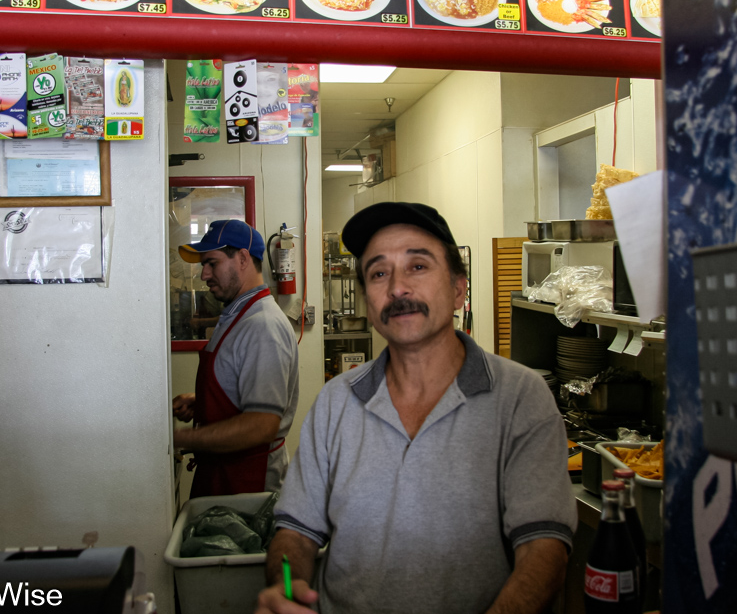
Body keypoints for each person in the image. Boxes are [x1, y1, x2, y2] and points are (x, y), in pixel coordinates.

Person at [256, 202, 576, 614]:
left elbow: (544, 549)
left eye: (418, 267)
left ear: (459, 288)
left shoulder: (520, 398)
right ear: (368, 301)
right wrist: (286, 588)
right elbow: (294, 533)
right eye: (378, 273)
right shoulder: (334, 404)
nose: (397, 288)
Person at [173, 219, 299, 498]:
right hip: (223, 472)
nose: (204, 274)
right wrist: (203, 403)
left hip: (247, 480)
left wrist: (178, 440)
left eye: (212, 263)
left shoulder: (262, 325)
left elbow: (261, 425)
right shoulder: (238, 315)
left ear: (242, 258)